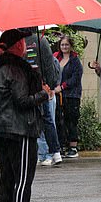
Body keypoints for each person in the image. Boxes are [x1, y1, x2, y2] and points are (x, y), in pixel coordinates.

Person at [0, 29, 50, 202]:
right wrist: (44, 94)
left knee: (6, 176)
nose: (25, 45)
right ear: (17, 46)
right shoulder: (17, 70)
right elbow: (22, 101)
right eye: (22, 42)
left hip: (0, 129)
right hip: (20, 129)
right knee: (23, 178)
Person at [25, 33, 62, 166]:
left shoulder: (40, 41)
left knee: (45, 118)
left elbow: (49, 65)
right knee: (43, 120)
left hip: (40, 88)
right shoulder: (35, 41)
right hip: (35, 87)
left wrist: (50, 85)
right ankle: (47, 152)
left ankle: (53, 152)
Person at [53, 36, 83, 158]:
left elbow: (76, 78)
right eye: (62, 45)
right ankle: (61, 145)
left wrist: (63, 86)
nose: (64, 47)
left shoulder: (75, 60)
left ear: (70, 46)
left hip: (72, 95)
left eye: (66, 45)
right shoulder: (56, 58)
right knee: (60, 121)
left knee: (71, 120)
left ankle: (73, 147)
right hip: (58, 94)